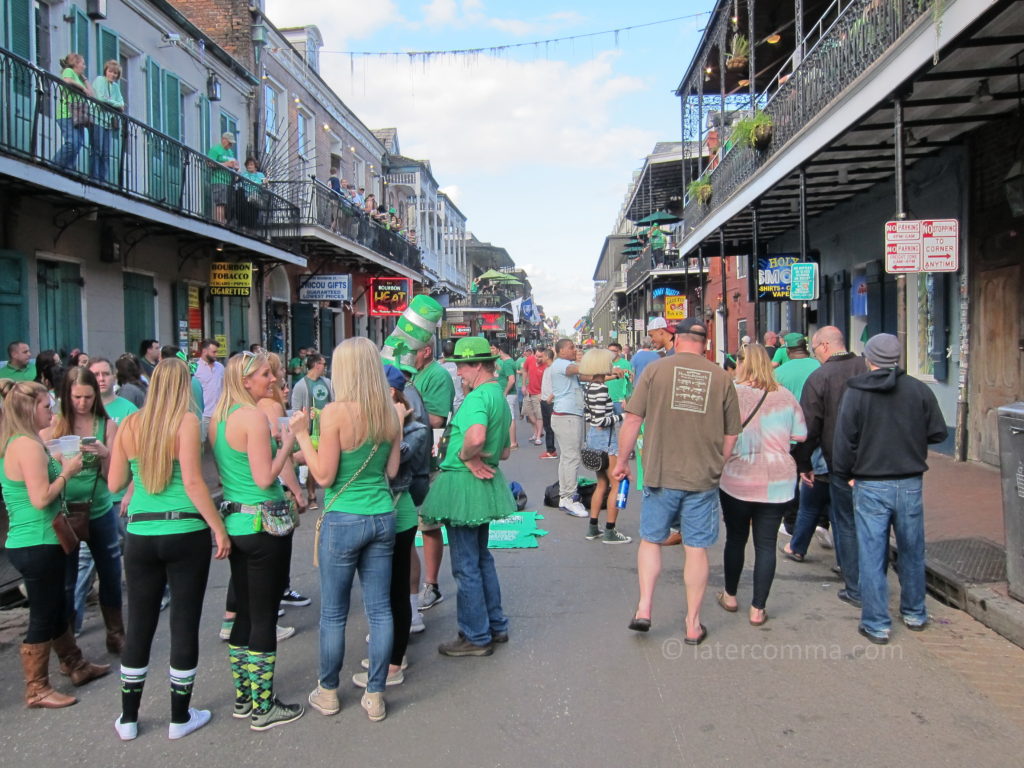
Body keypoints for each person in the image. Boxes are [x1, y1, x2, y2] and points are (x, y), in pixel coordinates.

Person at [107, 358, 230, 740]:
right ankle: (180, 716)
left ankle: (128, 717)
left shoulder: (129, 425)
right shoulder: (187, 423)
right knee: (183, 620)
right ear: (184, 389)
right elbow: (193, 483)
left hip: (141, 534)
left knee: (140, 622)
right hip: (184, 530)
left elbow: (114, 484)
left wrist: (134, 479)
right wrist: (218, 528)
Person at [291, 338, 400, 722]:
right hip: (382, 515)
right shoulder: (390, 413)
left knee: (334, 613)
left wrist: (303, 433)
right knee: (380, 609)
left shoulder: (335, 413)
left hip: (343, 517)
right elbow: (391, 471)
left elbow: (322, 476)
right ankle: (374, 694)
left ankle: (328, 690)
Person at [614, 319, 740, 645]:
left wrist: (622, 461)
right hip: (702, 477)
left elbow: (632, 419)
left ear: (676, 339)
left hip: (660, 472)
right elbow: (731, 435)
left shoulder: (656, 371)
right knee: (696, 549)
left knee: (651, 540)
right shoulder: (722, 377)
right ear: (705, 343)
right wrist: (718, 464)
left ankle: (644, 608)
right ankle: (693, 624)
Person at [210, 350, 304, 731]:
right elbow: (265, 478)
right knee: (263, 615)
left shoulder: (219, 418)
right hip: (264, 525)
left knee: (245, 614)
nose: (272, 379)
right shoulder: (251, 417)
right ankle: (264, 707)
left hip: (236, 523)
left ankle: (244, 696)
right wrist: (288, 441)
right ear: (245, 381)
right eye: (265, 374)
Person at [832, 333, 947, 644]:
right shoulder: (919, 390)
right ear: (898, 359)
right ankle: (914, 612)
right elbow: (938, 432)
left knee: (871, 552)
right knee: (911, 549)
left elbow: (844, 441)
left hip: (870, 482)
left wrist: (844, 474)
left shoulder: (855, 393)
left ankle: (877, 623)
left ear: (869, 359)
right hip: (909, 481)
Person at [1, 380, 108, 709]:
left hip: (45, 538)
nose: (52, 410)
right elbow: (40, 497)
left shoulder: (26, 441)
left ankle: (74, 664)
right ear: (29, 410)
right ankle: (37, 687)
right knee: (44, 614)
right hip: (37, 539)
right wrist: (68, 470)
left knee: (60, 605)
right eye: (47, 406)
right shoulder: (26, 445)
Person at [419, 337, 515, 656]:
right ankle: (495, 625)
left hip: (463, 485)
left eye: (461, 365)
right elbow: (503, 451)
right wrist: (478, 456)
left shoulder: (476, 398)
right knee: (481, 558)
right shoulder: (497, 396)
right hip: (482, 485)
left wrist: (466, 456)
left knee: (465, 565)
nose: (458, 372)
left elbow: (476, 437)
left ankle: (475, 636)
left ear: (476, 365)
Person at [351, 364, 430, 688]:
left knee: (394, 587)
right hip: (380, 511)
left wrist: (394, 426)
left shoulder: (414, 429)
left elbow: (389, 468)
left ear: (392, 393)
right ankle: (391, 649)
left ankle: (395, 661)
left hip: (398, 511)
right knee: (381, 586)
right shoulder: (378, 423)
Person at [716, 344, 806, 626]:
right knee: (766, 544)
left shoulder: (732, 394)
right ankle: (758, 608)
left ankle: (730, 595)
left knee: (736, 538)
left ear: (742, 364)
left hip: (738, 478)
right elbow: (801, 435)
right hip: (777, 480)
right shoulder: (786, 396)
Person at [44, 367, 124, 654]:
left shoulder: (106, 424)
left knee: (111, 573)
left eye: (88, 397)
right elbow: (45, 474)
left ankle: (116, 634)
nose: (82, 403)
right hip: (65, 511)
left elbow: (113, 478)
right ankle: (68, 646)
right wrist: (57, 458)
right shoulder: (56, 424)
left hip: (99, 507)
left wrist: (105, 454)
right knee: (67, 580)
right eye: (77, 397)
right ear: (67, 396)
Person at [791, 326, 868, 609]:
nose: (815, 354)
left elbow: (809, 427)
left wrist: (804, 462)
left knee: (844, 522)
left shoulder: (820, 377)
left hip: (840, 463)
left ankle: (855, 584)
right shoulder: (866, 367)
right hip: (873, 461)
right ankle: (872, 575)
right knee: (872, 522)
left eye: (815, 349)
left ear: (824, 346)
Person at [774, 337, 830, 561]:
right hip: (818, 430)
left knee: (793, 476)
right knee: (819, 477)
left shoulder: (781, 372)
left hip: (790, 432)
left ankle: (791, 522)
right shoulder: (819, 367)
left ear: (787, 350)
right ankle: (822, 522)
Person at [411, 342, 455, 611]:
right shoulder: (414, 372)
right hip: (411, 461)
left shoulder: (437, 375)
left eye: (412, 351)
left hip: (430, 460)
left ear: (426, 351)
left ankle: (431, 585)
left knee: (428, 524)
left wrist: (399, 416)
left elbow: (437, 419)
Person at [580, 348, 630, 544]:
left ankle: (593, 527)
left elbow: (588, 415)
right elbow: (602, 420)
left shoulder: (589, 387)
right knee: (616, 484)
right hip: (606, 439)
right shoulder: (601, 389)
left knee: (602, 484)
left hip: (593, 438)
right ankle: (610, 530)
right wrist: (622, 416)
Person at [549, 339, 587, 516]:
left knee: (567, 458)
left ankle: (565, 496)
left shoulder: (565, 364)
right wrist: (599, 363)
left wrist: (612, 373)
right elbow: (579, 370)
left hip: (567, 415)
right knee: (571, 458)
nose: (575, 350)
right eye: (571, 347)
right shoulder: (562, 364)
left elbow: (586, 375)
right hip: (568, 416)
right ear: (561, 350)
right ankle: (569, 497)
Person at [291, 352, 332, 508]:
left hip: (327, 430)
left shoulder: (328, 383)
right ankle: (311, 495)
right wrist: (305, 418)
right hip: (309, 431)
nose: (325, 367)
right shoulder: (301, 385)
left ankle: (320, 493)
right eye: (323, 364)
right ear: (316, 365)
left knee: (324, 460)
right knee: (310, 461)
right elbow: (296, 410)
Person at [53, 53, 94, 171]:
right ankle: (55, 164)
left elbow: (91, 94)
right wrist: (82, 88)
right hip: (66, 113)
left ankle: (68, 168)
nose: (84, 66)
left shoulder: (78, 78)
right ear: (75, 64)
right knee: (72, 143)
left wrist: (84, 80)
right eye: (83, 64)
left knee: (78, 144)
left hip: (78, 115)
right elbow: (66, 81)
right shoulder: (68, 71)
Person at [89, 59, 124, 184]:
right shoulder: (99, 80)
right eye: (110, 72)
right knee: (96, 150)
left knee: (106, 153)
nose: (112, 75)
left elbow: (122, 104)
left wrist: (110, 102)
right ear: (106, 71)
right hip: (97, 118)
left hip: (108, 122)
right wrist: (114, 104)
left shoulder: (115, 87)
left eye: (115, 73)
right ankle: (94, 177)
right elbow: (100, 98)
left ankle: (103, 180)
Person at [194, 339, 224, 444]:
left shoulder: (220, 367)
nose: (216, 355)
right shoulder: (195, 368)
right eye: (214, 352)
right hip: (204, 414)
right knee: (200, 444)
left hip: (219, 414)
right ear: (204, 351)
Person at [491, 342, 519, 450]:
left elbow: (511, 380)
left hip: (509, 394)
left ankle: (513, 442)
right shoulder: (509, 361)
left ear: (500, 350)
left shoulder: (507, 363)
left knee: (510, 417)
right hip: (508, 393)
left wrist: (505, 392)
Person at [208, 132, 240, 224]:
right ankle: (219, 223)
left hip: (228, 181)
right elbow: (209, 163)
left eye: (232, 143)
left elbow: (233, 163)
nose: (230, 145)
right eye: (229, 143)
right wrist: (226, 164)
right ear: (223, 140)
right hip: (218, 179)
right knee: (220, 203)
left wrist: (236, 168)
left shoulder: (230, 152)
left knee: (226, 204)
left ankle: (224, 222)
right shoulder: (215, 150)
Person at [521, 347, 546, 445]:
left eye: (540, 357)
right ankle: (536, 431)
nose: (538, 359)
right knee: (528, 413)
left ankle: (538, 436)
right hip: (529, 391)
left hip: (539, 393)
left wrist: (543, 394)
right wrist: (523, 385)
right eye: (537, 356)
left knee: (539, 416)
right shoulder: (530, 359)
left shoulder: (546, 365)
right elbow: (524, 371)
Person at [538, 348, 558, 458]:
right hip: (544, 400)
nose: (541, 358)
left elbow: (558, 384)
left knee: (551, 427)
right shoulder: (547, 369)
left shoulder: (554, 369)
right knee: (547, 426)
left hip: (551, 402)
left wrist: (551, 397)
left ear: (547, 356)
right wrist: (542, 396)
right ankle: (550, 450)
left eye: (542, 356)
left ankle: (551, 450)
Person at [606, 341, 634, 416]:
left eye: (613, 351)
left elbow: (630, 382)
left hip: (620, 400)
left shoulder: (625, 364)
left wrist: (626, 399)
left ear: (619, 351)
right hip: (607, 400)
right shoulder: (605, 363)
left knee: (623, 425)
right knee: (609, 426)